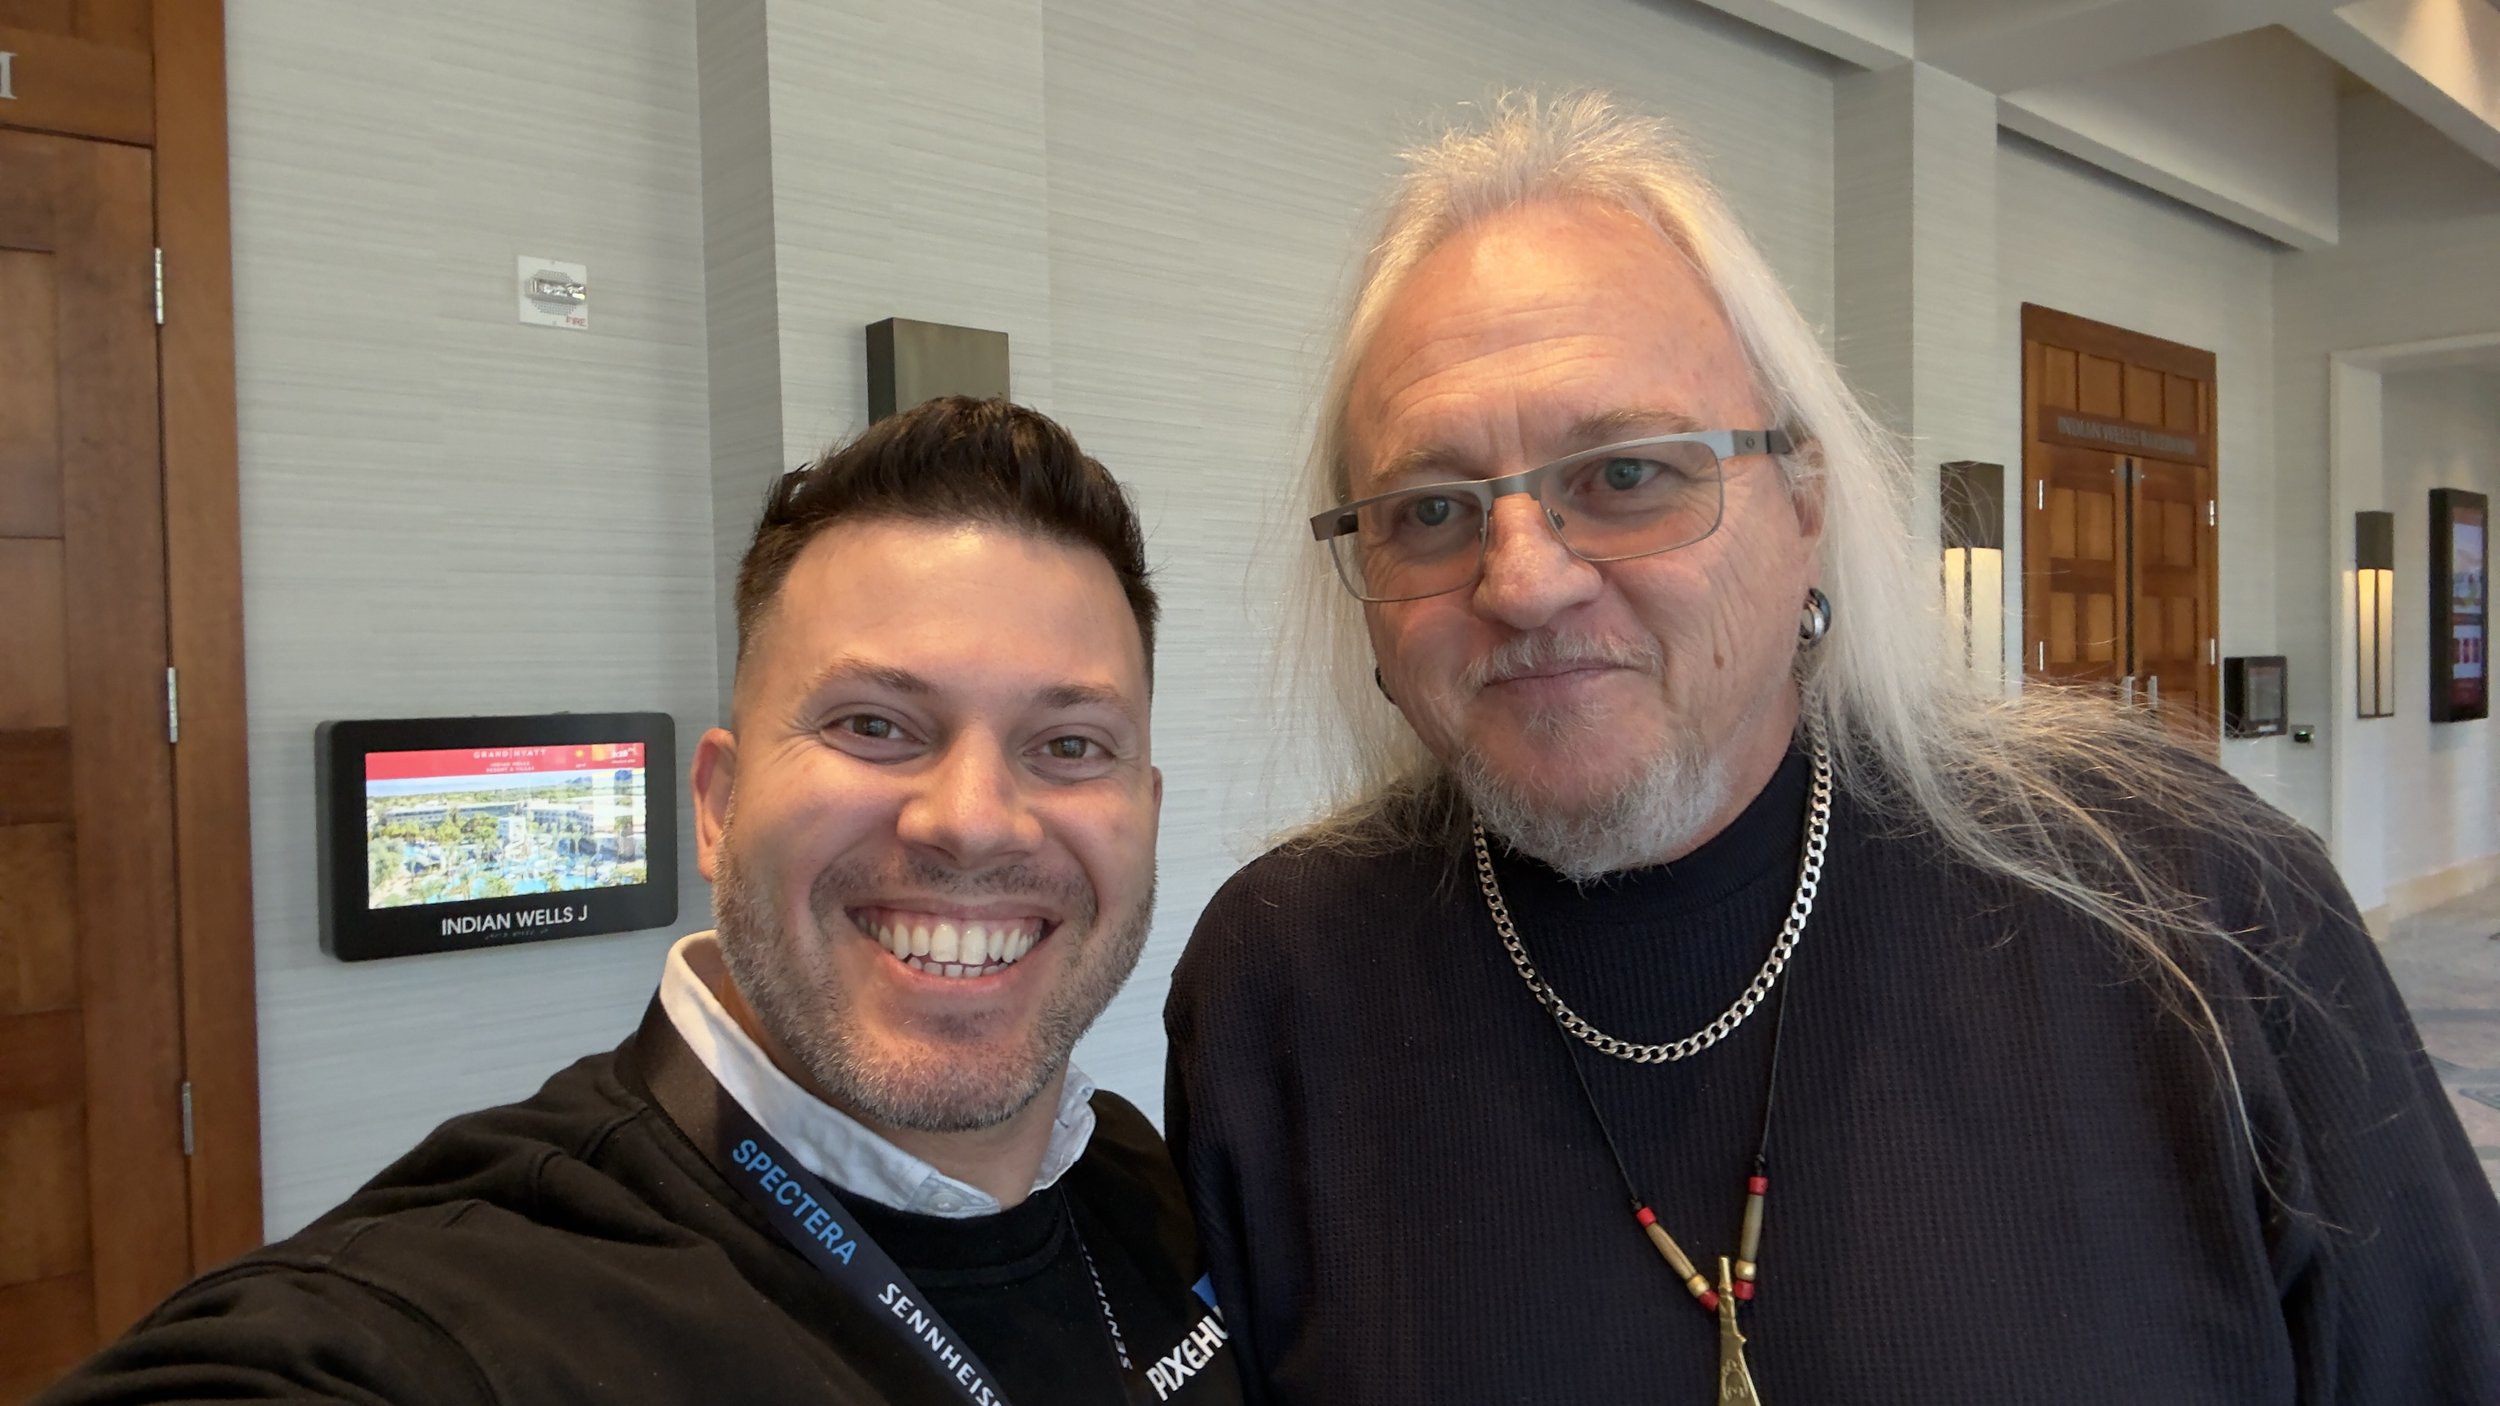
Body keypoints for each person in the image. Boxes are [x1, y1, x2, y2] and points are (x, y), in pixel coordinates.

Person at [1164, 92, 2500, 1404]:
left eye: (1624, 474)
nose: (1521, 582)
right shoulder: (1282, 984)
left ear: (1804, 499)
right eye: (1431, 509)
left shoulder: (2195, 905)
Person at [46, 397, 1240, 1406]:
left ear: (1144, 810)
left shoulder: (1133, 1179)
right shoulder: (458, 1316)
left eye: (1070, 743)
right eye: (874, 723)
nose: (972, 818)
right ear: (716, 804)